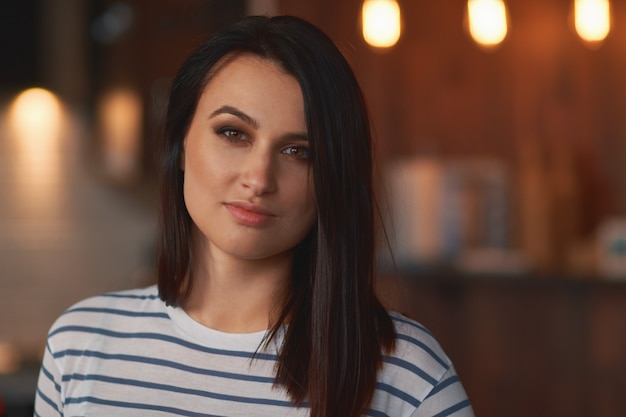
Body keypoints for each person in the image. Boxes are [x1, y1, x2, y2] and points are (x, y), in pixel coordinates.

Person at [34, 15, 474, 417]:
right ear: (181, 144)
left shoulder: (409, 377)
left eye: (298, 152)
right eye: (232, 133)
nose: (259, 178)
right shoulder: (79, 346)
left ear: (332, 179)